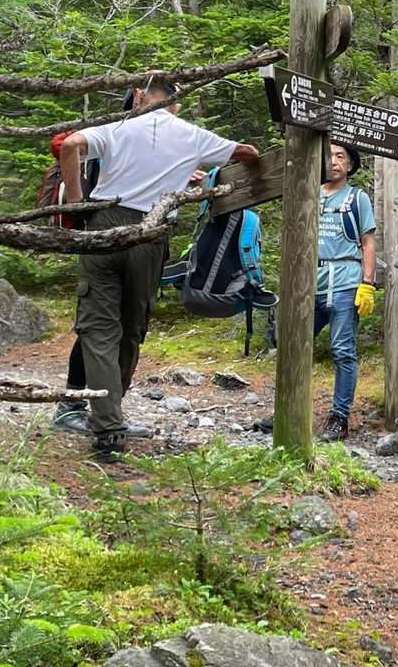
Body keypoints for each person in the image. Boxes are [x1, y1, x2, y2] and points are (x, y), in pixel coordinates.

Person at [59, 73, 261, 460]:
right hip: (151, 232)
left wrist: (77, 204)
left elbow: (70, 144)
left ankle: (108, 428)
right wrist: (187, 169)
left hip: (104, 223)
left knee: (99, 329)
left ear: (138, 95)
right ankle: (111, 416)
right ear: (176, 101)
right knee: (131, 327)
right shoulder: (190, 135)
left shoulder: (118, 126)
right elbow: (248, 154)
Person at [314, 141, 377, 441]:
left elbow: (368, 242)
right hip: (309, 283)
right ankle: (286, 409)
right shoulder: (309, 193)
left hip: (344, 282)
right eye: (329, 155)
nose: (334, 161)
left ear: (350, 165)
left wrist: (367, 284)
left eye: (341, 156)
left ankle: (339, 417)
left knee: (342, 350)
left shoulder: (356, 198)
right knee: (293, 347)